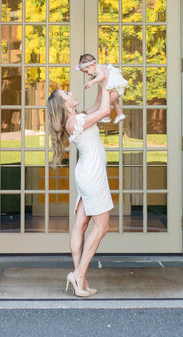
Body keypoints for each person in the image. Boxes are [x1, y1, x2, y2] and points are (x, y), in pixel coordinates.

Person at [46, 71, 113, 298]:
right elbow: (104, 111)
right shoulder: (74, 122)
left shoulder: (79, 118)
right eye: (67, 93)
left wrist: (104, 81)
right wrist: (103, 81)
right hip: (92, 176)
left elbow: (100, 104)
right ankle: (78, 275)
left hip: (87, 173)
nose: (71, 92)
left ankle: (81, 280)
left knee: (81, 224)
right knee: (101, 226)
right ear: (64, 104)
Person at [76, 52, 127, 125]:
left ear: (92, 65)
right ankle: (120, 114)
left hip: (114, 88)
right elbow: (94, 76)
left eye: (86, 71)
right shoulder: (97, 68)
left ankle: (106, 116)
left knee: (106, 102)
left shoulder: (98, 69)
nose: (87, 73)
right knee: (114, 102)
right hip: (116, 89)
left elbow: (101, 76)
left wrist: (91, 82)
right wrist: (89, 80)